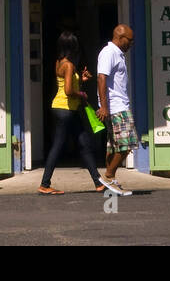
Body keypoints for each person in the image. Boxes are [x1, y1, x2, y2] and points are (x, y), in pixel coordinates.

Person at [39, 31, 103, 195]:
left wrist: (81, 80)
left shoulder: (59, 62)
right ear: (73, 47)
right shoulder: (69, 65)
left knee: (83, 143)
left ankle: (98, 181)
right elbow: (68, 91)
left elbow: (65, 84)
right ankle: (45, 184)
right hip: (65, 109)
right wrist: (82, 94)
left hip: (64, 109)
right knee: (60, 145)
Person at [96, 24, 136, 196]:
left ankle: (110, 181)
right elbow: (101, 78)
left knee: (113, 146)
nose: (131, 44)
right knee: (128, 144)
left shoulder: (117, 54)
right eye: (129, 40)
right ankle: (108, 176)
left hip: (118, 105)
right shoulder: (109, 52)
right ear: (120, 38)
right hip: (116, 107)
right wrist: (104, 106)